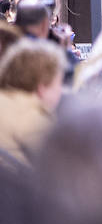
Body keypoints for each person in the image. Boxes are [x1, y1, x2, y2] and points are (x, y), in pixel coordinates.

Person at [0, 38, 64, 167]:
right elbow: (62, 165)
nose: (61, 90)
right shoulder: (33, 117)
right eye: (58, 83)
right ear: (42, 87)